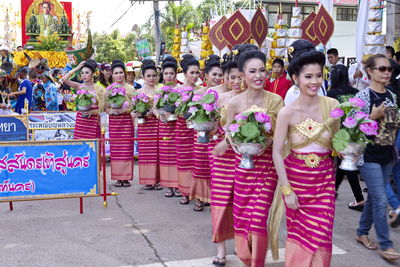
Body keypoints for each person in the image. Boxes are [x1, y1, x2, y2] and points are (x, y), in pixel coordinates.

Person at [272, 39, 340, 266]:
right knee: (299, 236)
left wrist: (348, 149)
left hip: (324, 183)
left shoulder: (332, 105)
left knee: (322, 236)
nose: (314, 81)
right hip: (296, 183)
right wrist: (286, 190)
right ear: (296, 78)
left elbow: (338, 145)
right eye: (308, 77)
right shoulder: (286, 112)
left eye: (318, 76)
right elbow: (276, 153)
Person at [221, 46, 283, 267]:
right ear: (243, 75)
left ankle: (257, 263)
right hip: (243, 166)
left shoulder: (275, 100)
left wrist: (267, 140)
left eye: (262, 71)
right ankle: (246, 259)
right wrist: (232, 144)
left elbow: (280, 134)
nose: (259, 76)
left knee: (257, 220)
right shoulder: (235, 103)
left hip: (267, 166)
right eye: (253, 72)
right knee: (242, 216)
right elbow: (227, 130)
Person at [354, 54, 400, 261]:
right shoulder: (362, 97)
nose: (387, 72)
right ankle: (386, 245)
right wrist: (372, 116)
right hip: (368, 154)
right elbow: (352, 128)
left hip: (387, 154)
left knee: (374, 197)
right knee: (381, 200)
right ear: (370, 71)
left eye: (389, 69)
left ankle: (362, 231)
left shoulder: (391, 95)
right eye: (382, 69)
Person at [210, 54, 245, 266]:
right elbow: (213, 125)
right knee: (221, 202)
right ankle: (221, 249)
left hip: (247, 156)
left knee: (244, 202)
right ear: (225, 77)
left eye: (240, 77)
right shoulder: (218, 98)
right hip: (223, 156)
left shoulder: (254, 99)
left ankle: (243, 244)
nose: (237, 82)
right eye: (232, 77)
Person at [327, 64, 365, 211]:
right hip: (353, 133)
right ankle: (333, 191)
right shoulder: (356, 92)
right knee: (345, 164)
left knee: (343, 165)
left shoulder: (330, 94)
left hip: (337, 134)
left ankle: (359, 199)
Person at [182, 55, 212, 211]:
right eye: (192, 73)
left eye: (197, 73)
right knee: (186, 162)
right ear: (185, 73)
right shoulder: (179, 90)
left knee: (200, 163)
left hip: (199, 131)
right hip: (183, 130)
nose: (195, 76)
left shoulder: (202, 91)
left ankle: (202, 196)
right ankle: (186, 192)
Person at [106, 60, 135, 187]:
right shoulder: (109, 89)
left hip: (126, 121)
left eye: (121, 72)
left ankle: (126, 178)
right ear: (112, 75)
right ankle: (118, 178)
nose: (119, 75)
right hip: (114, 121)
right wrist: (112, 111)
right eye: (116, 73)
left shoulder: (130, 88)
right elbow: (106, 107)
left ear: (125, 73)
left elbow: (134, 106)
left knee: (126, 149)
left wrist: (124, 110)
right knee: (116, 149)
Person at [134, 59, 161, 190]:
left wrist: (152, 112)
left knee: (156, 152)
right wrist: (139, 113)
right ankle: (147, 180)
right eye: (148, 76)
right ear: (143, 77)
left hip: (156, 124)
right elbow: (134, 110)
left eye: (153, 75)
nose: (151, 78)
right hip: (144, 125)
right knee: (145, 153)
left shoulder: (160, 91)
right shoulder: (138, 93)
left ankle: (157, 180)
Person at [61, 59, 105, 139]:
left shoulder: (99, 88)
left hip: (93, 121)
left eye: (87, 73)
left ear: (93, 74)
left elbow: (104, 107)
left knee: (94, 146)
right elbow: (64, 79)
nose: (84, 75)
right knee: (80, 145)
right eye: (82, 73)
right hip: (81, 120)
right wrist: (77, 68)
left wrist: (93, 112)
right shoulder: (79, 86)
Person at [155, 57, 179, 198]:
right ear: (162, 75)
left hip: (176, 126)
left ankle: (177, 185)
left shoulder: (180, 90)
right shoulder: (160, 91)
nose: (169, 76)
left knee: (176, 157)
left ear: (175, 74)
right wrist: (160, 115)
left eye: (171, 73)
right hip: (164, 126)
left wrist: (175, 114)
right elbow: (155, 108)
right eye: (166, 74)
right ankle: (168, 186)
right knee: (165, 158)